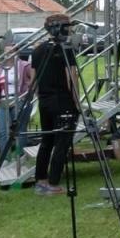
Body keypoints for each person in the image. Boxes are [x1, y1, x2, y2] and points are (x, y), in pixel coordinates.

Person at [31, 13, 81, 197]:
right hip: (62, 101)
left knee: (46, 142)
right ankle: (53, 182)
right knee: (62, 142)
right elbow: (72, 77)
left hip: (45, 101)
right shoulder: (65, 49)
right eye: (68, 27)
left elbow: (33, 79)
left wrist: (41, 96)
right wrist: (76, 101)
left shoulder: (38, 50)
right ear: (62, 28)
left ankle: (40, 181)